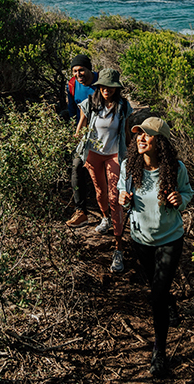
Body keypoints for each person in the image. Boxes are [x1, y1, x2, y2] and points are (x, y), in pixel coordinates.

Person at [118, 117, 193, 378]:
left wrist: (179, 199)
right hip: (140, 240)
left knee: (156, 296)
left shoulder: (175, 168)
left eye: (146, 135)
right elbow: (121, 192)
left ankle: (158, 352)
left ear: (160, 142)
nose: (140, 138)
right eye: (138, 134)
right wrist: (122, 199)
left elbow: (188, 193)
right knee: (157, 288)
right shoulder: (129, 166)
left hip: (170, 239)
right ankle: (170, 302)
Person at [75, 69, 133, 271]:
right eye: (104, 86)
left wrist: (130, 153)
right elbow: (81, 124)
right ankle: (105, 217)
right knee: (100, 192)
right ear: (99, 86)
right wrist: (78, 139)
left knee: (115, 196)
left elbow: (125, 131)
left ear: (116, 88)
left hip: (114, 153)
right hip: (93, 153)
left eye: (111, 86)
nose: (107, 90)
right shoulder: (91, 102)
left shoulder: (123, 106)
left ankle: (118, 249)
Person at [65, 55, 98, 228]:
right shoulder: (72, 85)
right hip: (83, 133)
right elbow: (72, 112)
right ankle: (81, 212)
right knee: (77, 166)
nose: (79, 74)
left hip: (103, 134)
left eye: (82, 70)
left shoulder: (101, 83)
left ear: (90, 69)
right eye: (75, 71)